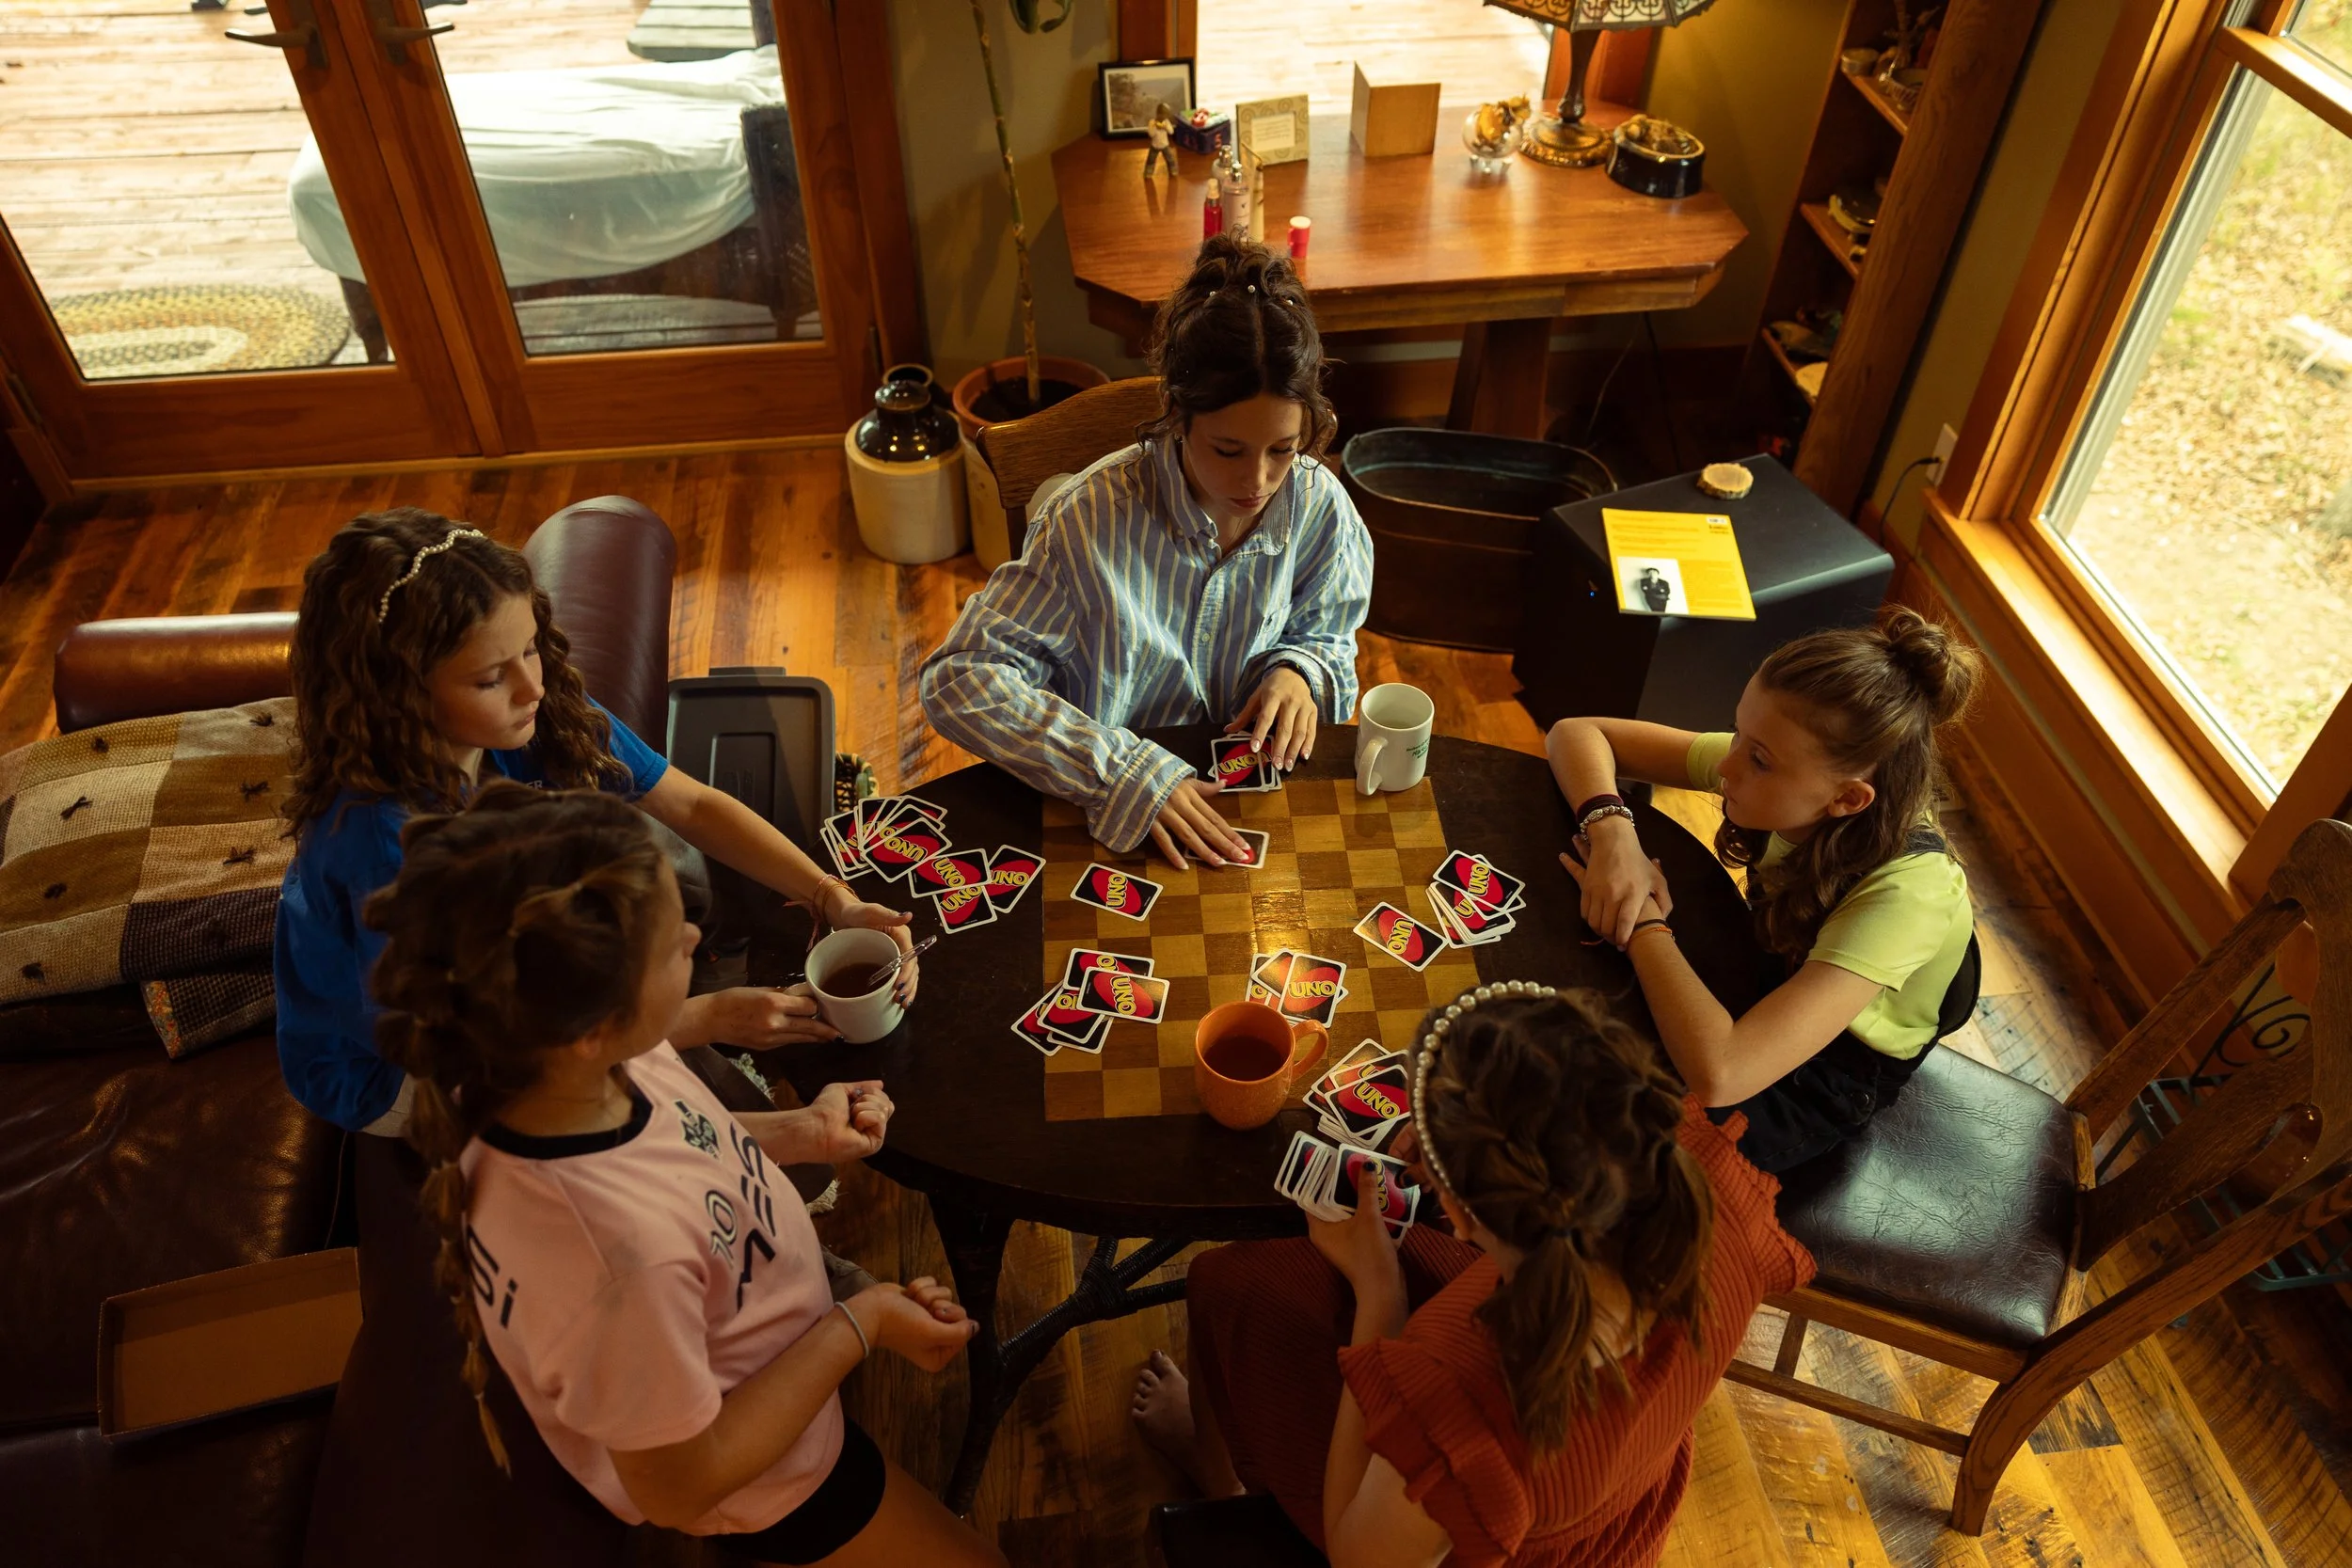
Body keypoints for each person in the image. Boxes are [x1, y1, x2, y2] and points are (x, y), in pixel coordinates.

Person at [366, 783, 1005, 1567]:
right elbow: (682, 1484)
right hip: (773, 1478)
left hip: (772, 1356)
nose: (698, 934)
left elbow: (671, 1155)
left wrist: (801, 1133)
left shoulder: (551, 1071)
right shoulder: (613, 1261)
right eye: (676, 945)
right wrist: (859, 1324)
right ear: (593, 1024)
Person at [276, 509, 918, 1135]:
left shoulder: (533, 707)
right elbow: (502, 1049)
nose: (532, 687)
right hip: (411, 1065)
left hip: (512, 965)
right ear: (401, 695)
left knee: (664, 849)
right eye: (490, 678)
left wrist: (832, 896)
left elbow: (690, 804)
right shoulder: (381, 849)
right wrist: (698, 1020)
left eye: (529, 648)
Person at [1134, 984, 1812, 1567]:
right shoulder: (1700, 1189)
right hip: (1618, 1492)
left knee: (1223, 1281)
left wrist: (1382, 1300)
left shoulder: (1468, 1407)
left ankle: (1213, 1473)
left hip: (1487, 1527)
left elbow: (1354, 1553)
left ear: (1455, 1209)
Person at [918, 235, 1374, 872]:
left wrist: (1300, 668)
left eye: (1282, 449)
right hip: (1119, 824)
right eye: (1228, 449)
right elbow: (959, 680)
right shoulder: (1087, 521)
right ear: (1177, 414)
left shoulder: (1317, 502)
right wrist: (1115, 770)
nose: (1258, 484)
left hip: (1250, 811)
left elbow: (1329, 627)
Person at [1547, 606, 1982, 1172]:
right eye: (1738, 732)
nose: (1725, 766)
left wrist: (1646, 922)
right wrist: (1612, 834)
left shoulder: (1910, 896)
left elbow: (1722, 1073)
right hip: (1773, 971)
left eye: (1756, 758)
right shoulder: (1782, 764)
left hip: (1824, 1075)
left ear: (1848, 800)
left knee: (1580, 1145)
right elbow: (1577, 733)